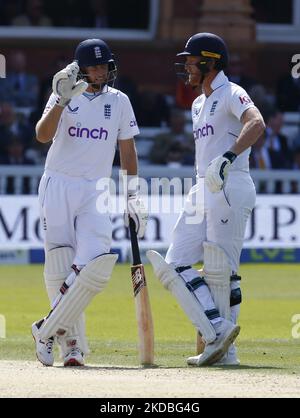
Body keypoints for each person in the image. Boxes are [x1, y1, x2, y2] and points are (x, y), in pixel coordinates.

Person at [147, 33, 265, 367]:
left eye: (191, 59)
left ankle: (226, 352)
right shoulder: (198, 102)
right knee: (174, 265)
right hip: (202, 187)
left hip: (230, 182)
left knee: (222, 271)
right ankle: (216, 329)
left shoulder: (232, 92)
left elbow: (256, 123)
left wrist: (228, 157)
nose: (186, 65)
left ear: (210, 61)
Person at [31, 38, 147, 367]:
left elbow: (127, 151)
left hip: (96, 189)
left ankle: (45, 330)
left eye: (104, 65)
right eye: (94, 67)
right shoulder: (64, 92)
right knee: (60, 262)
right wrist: (62, 102)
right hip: (58, 183)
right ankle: (72, 347)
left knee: (95, 265)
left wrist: (133, 194)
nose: (100, 71)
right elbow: (42, 134)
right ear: (81, 69)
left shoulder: (120, 101)